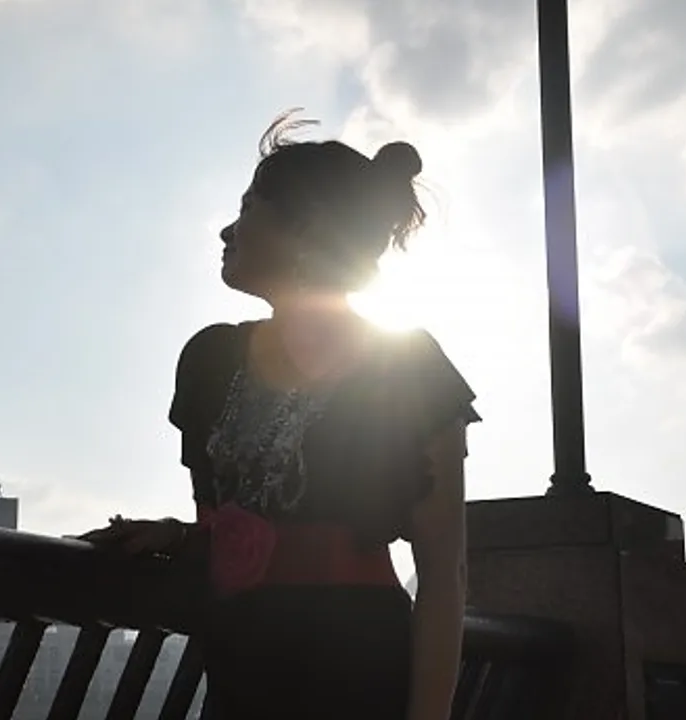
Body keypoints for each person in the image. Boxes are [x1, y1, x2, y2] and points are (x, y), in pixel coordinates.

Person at [82, 111, 479, 720]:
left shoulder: (410, 367)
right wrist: (180, 536)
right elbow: (227, 522)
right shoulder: (210, 360)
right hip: (241, 669)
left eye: (248, 209)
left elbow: (444, 575)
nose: (227, 230)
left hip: (359, 672)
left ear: (307, 228)